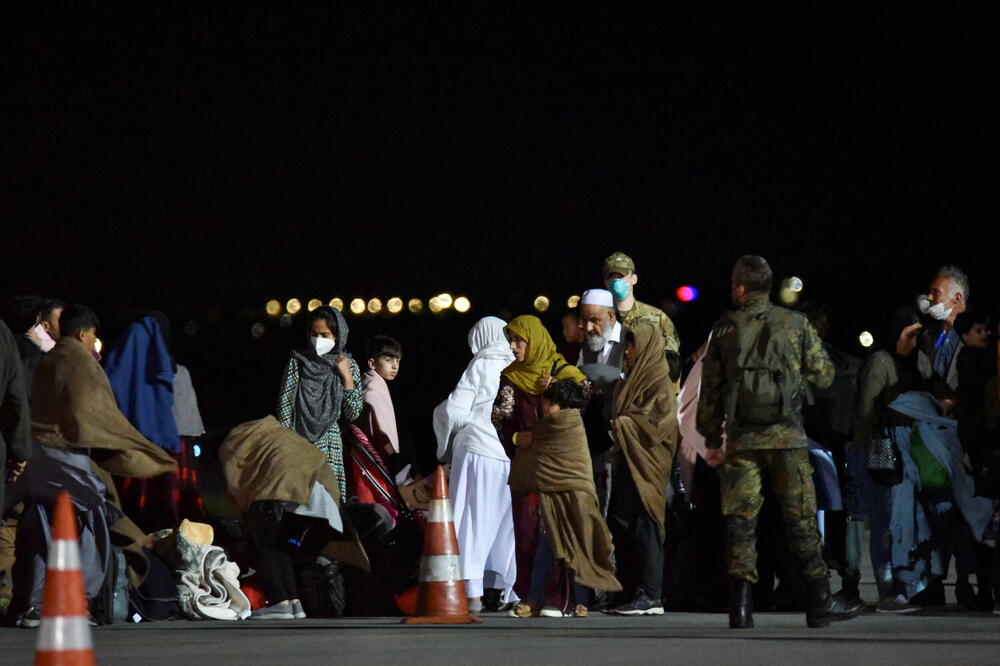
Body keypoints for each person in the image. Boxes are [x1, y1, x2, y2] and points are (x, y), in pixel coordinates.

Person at [697, 255, 861, 629]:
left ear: (740, 287)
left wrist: (710, 436)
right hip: (787, 438)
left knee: (741, 523)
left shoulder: (724, 329)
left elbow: (711, 391)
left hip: (742, 441)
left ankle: (741, 608)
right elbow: (823, 376)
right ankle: (820, 600)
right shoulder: (795, 324)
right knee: (801, 519)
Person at [9, 304, 175, 627]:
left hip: (39, 459)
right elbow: (96, 413)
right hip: (66, 460)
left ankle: (32, 604)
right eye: (94, 335)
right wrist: (131, 449)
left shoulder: (48, 359)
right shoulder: (78, 360)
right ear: (83, 333)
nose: (94, 342)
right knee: (91, 526)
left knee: (42, 531)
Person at [491, 314, 587, 617]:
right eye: (511, 340)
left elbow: (588, 398)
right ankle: (531, 596)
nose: (514, 346)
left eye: (519, 340)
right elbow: (500, 418)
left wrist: (557, 386)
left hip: (558, 464)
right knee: (527, 531)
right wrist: (517, 436)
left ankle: (560, 599)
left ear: (535, 340)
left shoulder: (562, 370)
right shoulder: (510, 376)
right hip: (527, 466)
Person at [507, 379, 621, 617]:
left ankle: (580, 601)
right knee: (547, 551)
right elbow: (540, 465)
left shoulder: (568, 427)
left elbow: (576, 467)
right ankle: (535, 600)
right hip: (552, 499)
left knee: (574, 550)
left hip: (576, 496)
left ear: (558, 404)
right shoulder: (546, 429)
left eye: (547, 404)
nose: (545, 409)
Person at [433, 317, 517, 613]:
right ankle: (505, 590)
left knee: (470, 520)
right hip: (507, 455)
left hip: (476, 450)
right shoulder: (518, 364)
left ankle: (472, 593)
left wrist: (443, 441)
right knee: (503, 524)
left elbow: (455, 409)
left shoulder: (481, 363)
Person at [607, 324, 678, 615]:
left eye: (633, 345)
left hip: (647, 463)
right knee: (620, 521)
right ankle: (627, 589)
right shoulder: (630, 379)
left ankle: (651, 595)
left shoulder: (659, 381)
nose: (628, 351)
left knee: (645, 525)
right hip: (627, 460)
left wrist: (623, 424)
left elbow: (661, 424)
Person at [278, 306, 363, 502]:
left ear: (337, 335)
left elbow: (354, 413)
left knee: (328, 507)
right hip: (298, 440)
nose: (318, 340)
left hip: (329, 444)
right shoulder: (298, 361)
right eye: (314, 334)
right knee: (299, 506)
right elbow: (285, 404)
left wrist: (347, 378)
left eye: (325, 334)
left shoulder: (347, 365)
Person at [602, 251, 682, 382]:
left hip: (649, 395)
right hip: (613, 396)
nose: (617, 281)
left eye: (621, 276)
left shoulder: (657, 317)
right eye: (612, 276)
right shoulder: (599, 320)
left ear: (634, 279)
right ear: (605, 282)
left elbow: (672, 365)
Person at [919, 265, 969, 383]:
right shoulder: (929, 334)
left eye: (936, 292)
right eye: (930, 292)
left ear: (956, 298)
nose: (929, 297)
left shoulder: (977, 336)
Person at [360, 335, 402, 460]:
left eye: (398, 361)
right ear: (372, 363)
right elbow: (379, 433)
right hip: (379, 461)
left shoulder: (375, 383)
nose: (395, 366)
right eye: (389, 360)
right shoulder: (372, 390)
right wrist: (394, 460)